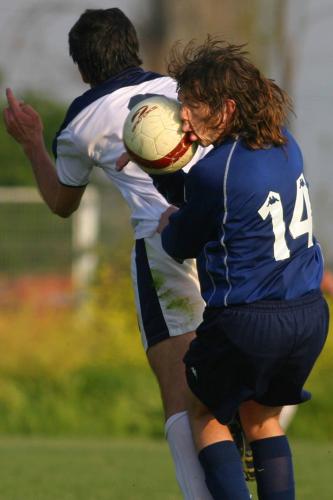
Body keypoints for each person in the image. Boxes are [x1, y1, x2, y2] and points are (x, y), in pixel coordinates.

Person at [2, 8, 215, 499]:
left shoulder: (79, 124)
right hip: (224, 228)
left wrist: (33, 142)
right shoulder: (180, 89)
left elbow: (62, 203)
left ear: (81, 67)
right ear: (134, 46)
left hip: (167, 252)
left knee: (177, 391)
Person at [158, 37, 329, 499]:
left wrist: (165, 205)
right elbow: (219, 198)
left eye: (192, 106)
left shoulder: (216, 171)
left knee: (205, 415)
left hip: (247, 322)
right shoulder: (284, 143)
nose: (184, 118)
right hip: (308, 315)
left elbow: (178, 243)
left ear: (226, 108)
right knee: (262, 419)